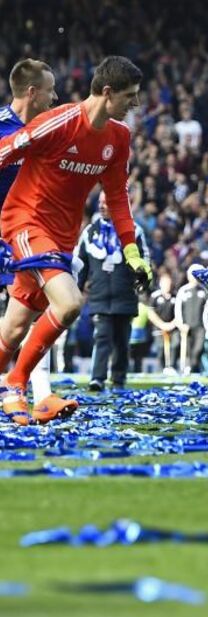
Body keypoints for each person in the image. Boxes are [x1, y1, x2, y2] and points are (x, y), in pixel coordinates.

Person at [0, 56, 151, 424]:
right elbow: (6, 150)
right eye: (129, 95)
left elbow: (117, 198)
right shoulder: (59, 121)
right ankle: (16, 385)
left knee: (15, 327)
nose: (135, 103)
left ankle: (27, 391)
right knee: (68, 304)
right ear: (107, 92)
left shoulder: (119, 137)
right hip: (26, 222)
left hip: (62, 238)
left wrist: (132, 253)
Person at [0, 58, 75, 421]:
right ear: (32, 92)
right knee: (18, 319)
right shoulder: (3, 129)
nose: (55, 97)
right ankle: (20, 391)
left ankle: (38, 393)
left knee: (35, 311)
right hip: (8, 231)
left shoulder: (49, 130)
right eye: (50, 90)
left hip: (25, 234)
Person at [75, 190, 150, 391]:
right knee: (102, 336)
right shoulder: (90, 232)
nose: (102, 206)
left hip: (125, 295)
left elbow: (144, 259)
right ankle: (97, 378)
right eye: (100, 202)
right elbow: (80, 263)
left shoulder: (134, 230)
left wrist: (142, 282)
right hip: (99, 295)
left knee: (122, 340)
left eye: (106, 202)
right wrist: (76, 289)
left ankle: (118, 378)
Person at [175, 264, 208, 374]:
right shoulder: (183, 290)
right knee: (188, 349)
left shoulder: (204, 290)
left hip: (200, 326)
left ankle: (194, 368)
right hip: (187, 326)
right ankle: (190, 369)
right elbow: (178, 308)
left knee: (198, 349)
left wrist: (207, 325)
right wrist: (181, 324)